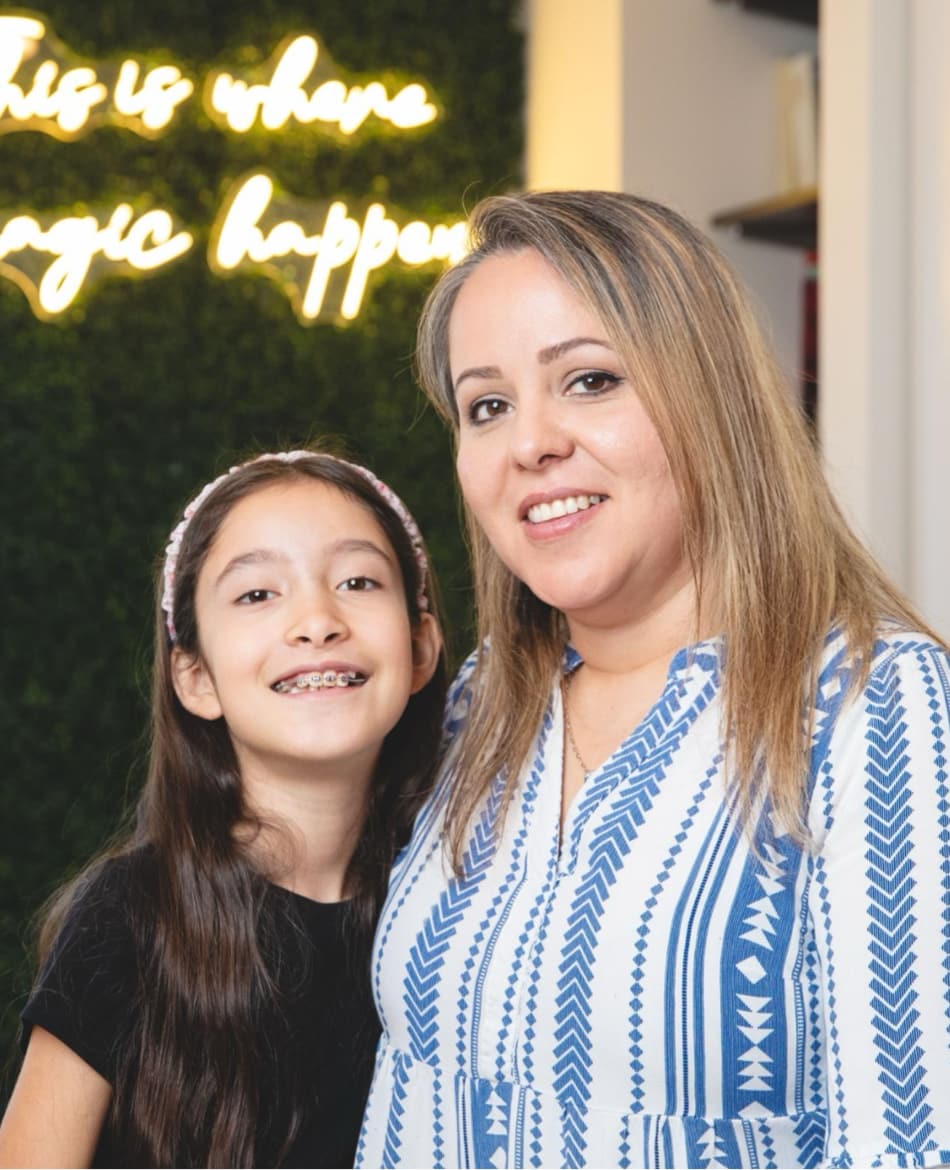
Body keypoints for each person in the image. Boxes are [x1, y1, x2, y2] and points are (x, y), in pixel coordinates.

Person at [355, 191, 950, 1169]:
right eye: (486, 405)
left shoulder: (872, 704)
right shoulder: (483, 698)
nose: (529, 442)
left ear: (711, 398)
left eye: (587, 380)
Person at [0, 448, 445, 1168]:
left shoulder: (454, 918)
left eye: (358, 580)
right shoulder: (132, 915)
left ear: (421, 646)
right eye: (257, 595)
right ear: (196, 676)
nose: (317, 620)